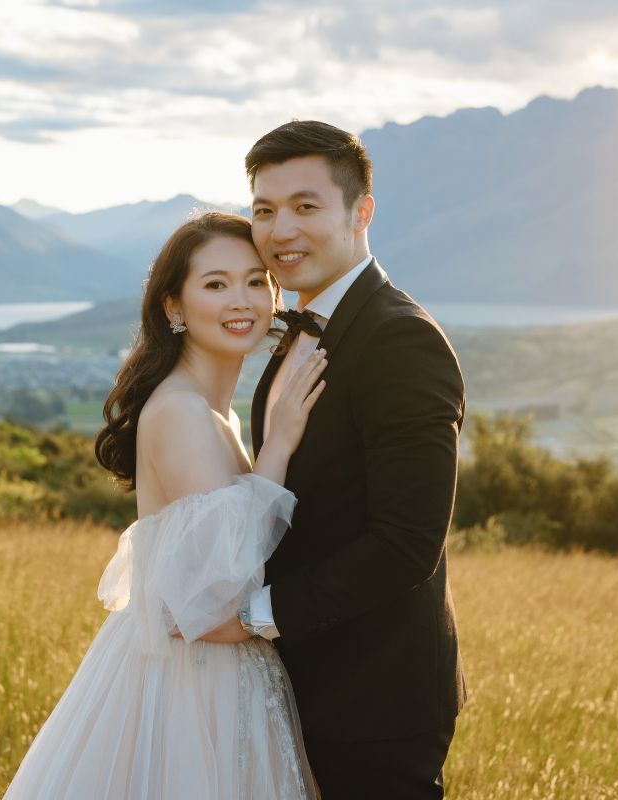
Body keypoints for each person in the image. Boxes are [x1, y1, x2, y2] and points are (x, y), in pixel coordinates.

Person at [1, 212, 326, 799]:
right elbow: (222, 593)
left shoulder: (216, 413)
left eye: (256, 281)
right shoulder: (180, 411)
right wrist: (278, 445)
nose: (242, 300)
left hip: (224, 679)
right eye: (216, 283)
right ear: (174, 307)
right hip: (188, 690)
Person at [230, 120, 468, 798]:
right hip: (299, 681)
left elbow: (406, 542)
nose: (281, 231)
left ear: (361, 212)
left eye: (306, 207)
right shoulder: (299, 327)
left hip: (375, 697)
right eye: (265, 210)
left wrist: (254, 617)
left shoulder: (399, 342)